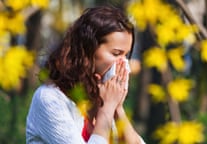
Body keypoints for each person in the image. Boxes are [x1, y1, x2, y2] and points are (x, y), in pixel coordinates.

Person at [26, 5, 145, 144]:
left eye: (126, 56)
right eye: (116, 54)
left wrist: (117, 108)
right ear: (88, 50)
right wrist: (106, 109)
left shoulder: (101, 98)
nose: (123, 64)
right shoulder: (49, 99)